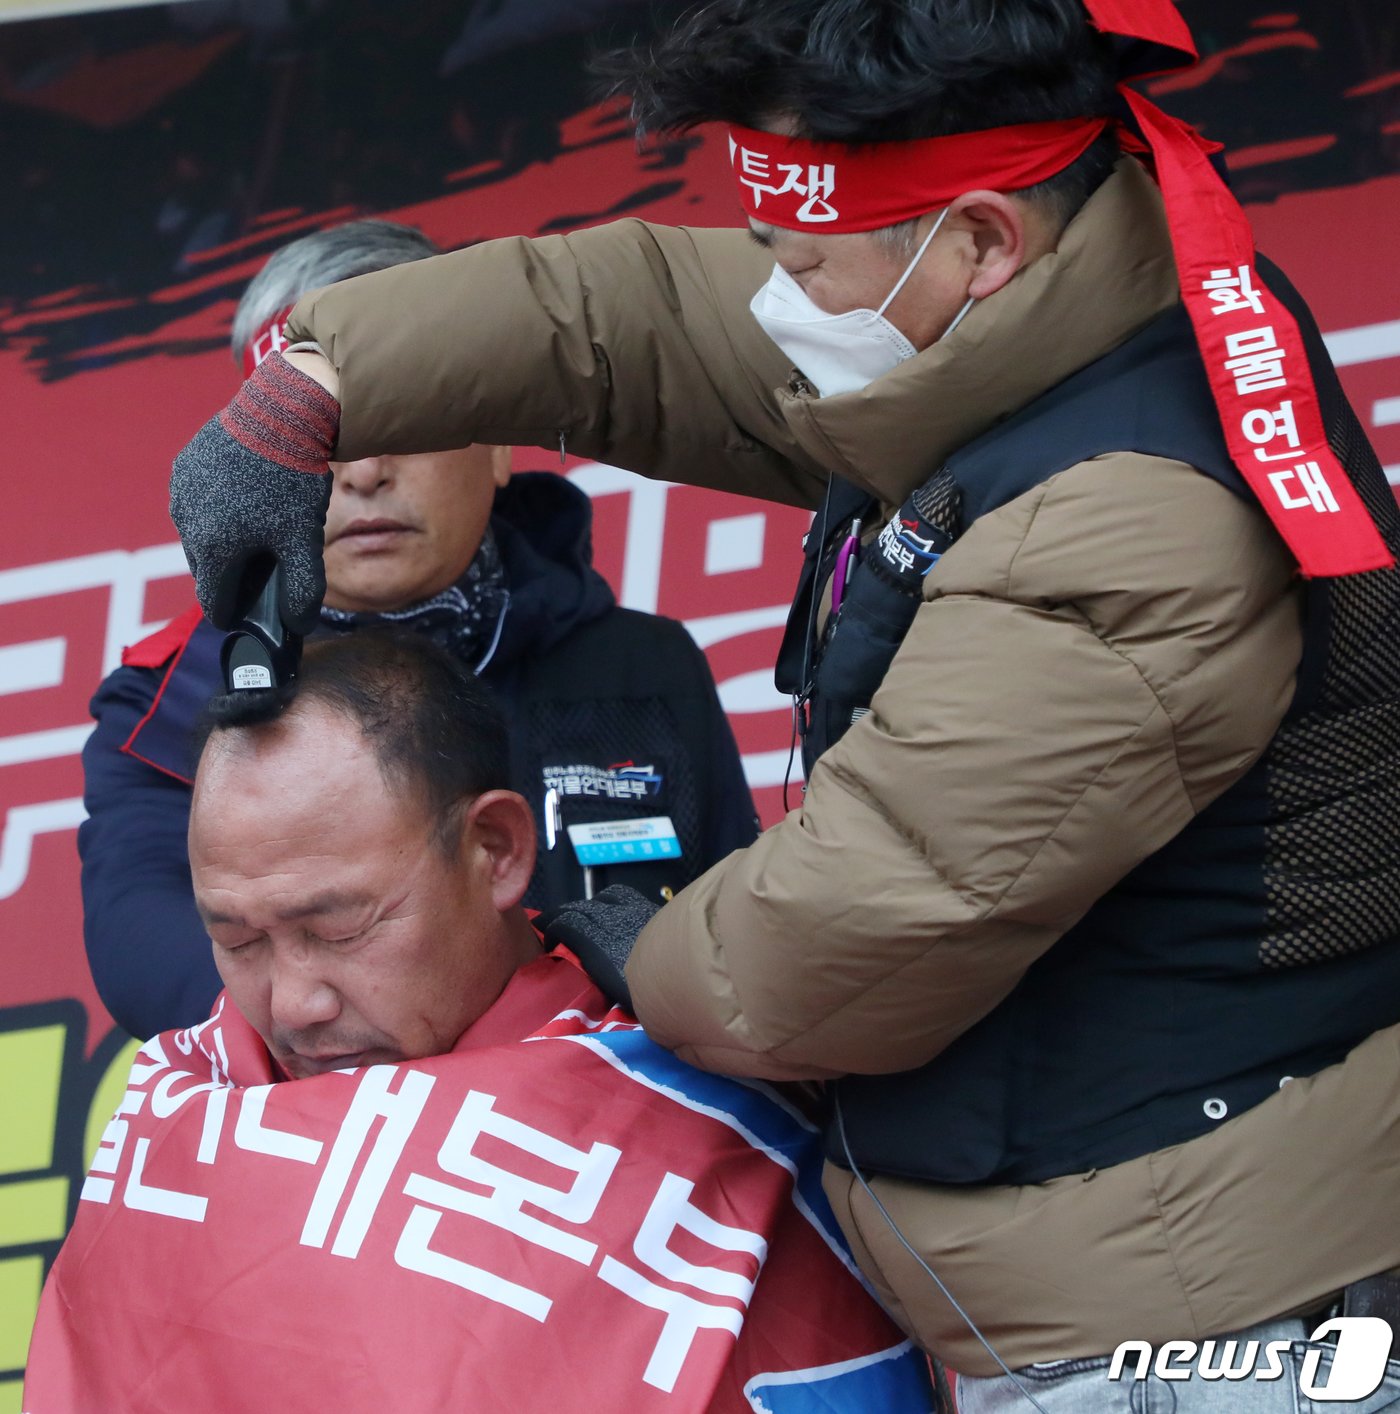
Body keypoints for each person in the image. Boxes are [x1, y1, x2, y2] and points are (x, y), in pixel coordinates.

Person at [167, 0, 1400, 1404]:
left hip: (1203, 1315)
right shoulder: (1015, 316)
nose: (770, 297)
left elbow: (825, 956)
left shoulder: (1128, 520)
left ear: (983, 241)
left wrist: (638, 959)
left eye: (800, 260)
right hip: (1073, 1267)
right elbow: (619, 317)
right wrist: (318, 385)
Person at [28, 633, 931, 1413]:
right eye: (238, 941)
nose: (295, 1004)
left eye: (338, 927)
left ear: (497, 850)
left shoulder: (702, 1086)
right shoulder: (184, 1116)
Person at [81, 218, 757, 1042]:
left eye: (399, 423)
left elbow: (736, 936)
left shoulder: (641, 663)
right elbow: (145, 954)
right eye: (319, 436)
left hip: (627, 1140)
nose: (364, 471)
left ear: (502, 443)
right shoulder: (176, 697)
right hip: (334, 1137)